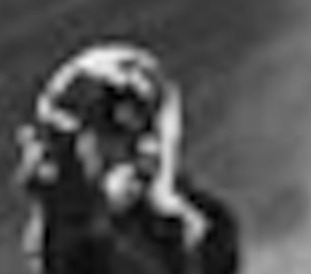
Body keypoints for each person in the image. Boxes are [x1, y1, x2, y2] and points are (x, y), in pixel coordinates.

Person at [26, 40, 199, 247]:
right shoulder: (78, 92)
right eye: (127, 116)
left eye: (137, 119)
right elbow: (51, 128)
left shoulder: (160, 103)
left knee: (160, 186)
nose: (131, 123)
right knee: (58, 179)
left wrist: (162, 187)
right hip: (71, 108)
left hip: (148, 93)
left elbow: (165, 148)